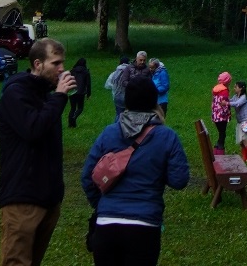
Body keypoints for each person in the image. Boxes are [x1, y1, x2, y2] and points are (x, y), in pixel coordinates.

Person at [81, 76, 189, 266]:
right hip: (144, 224)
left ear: (126, 100)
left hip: (106, 225)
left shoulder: (109, 133)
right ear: (154, 100)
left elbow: (87, 177)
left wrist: (102, 205)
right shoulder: (166, 136)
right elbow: (179, 180)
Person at [0, 37, 77, 266]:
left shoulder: (45, 95)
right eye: (56, 63)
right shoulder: (16, 94)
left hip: (48, 197)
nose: (62, 69)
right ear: (38, 64)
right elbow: (33, 129)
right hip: (22, 197)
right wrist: (60, 96)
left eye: (63, 63)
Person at [211, 72, 231, 153]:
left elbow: (214, 103)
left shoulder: (216, 89)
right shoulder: (224, 91)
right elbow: (225, 104)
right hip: (222, 116)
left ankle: (216, 149)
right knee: (223, 133)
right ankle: (220, 150)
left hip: (216, 116)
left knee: (220, 132)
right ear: (227, 81)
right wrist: (228, 114)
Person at [68, 58, 91, 128]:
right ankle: (74, 117)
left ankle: (71, 124)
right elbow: (88, 84)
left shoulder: (72, 71)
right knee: (80, 108)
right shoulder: (86, 72)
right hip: (81, 92)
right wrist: (88, 94)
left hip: (72, 91)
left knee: (72, 108)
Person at [104, 56, 129, 120]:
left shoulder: (114, 73)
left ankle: (117, 126)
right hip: (128, 97)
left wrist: (115, 87)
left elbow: (107, 85)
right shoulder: (130, 72)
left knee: (118, 113)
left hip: (117, 96)